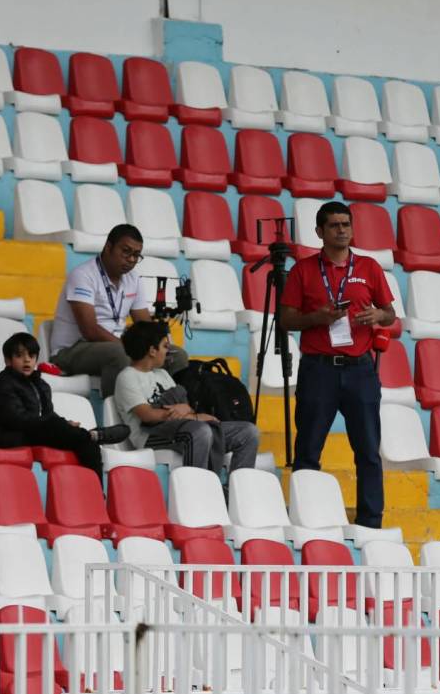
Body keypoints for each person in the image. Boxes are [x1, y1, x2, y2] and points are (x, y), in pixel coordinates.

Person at [279, 201, 396, 528]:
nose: (342, 230)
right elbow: (285, 320)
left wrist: (378, 315)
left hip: (360, 368)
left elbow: (390, 313)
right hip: (319, 368)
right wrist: (317, 318)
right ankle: (305, 519)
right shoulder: (303, 270)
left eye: (346, 224)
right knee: (308, 449)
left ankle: (371, 523)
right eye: (334, 225)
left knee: (368, 450)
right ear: (319, 231)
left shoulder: (369, 267)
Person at [49, 223, 190, 396]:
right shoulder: (83, 275)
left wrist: (160, 343)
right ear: (108, 247)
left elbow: (144, 324)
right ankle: (118, 407)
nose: (131, 259)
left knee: (176, 355)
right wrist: (131, 347)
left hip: (116, 344)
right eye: (126, 251)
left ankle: (167, 405)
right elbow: (90, 330)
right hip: (72, 350)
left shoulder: (133, 279)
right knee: (119, 354)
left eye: (136, 255)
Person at [114, 320, 260, 475]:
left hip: (180, 426)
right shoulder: (127, 377)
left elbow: (185, 408)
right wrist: (194, 417)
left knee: (248, 432)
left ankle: (234, 488)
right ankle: (197, 487)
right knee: (200, 432)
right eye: (165, 346)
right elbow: (147, 415)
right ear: (152, 351)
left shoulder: (162, 374)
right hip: (151, 435)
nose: (167, 351)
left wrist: (190, 413)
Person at [0, 331, 129, 480]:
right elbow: (16, 419)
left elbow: (47, 415)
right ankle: (93, 434)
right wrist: (54, 424)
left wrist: (64, 424)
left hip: (36, 432)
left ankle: (96, 490)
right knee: (57, 426)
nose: (27, 360)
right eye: (19, 356)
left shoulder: (41, 384)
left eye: (31, 356)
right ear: (8, 360)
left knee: (88, 445)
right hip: (13, 437)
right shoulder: (2, 384)